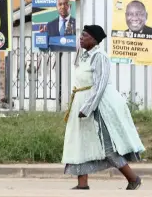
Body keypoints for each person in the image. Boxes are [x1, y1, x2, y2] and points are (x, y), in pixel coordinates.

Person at [62, 24, 145, 190]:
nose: (81, 38)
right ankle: (82, 183)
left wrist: (87, 108)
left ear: (93, 39)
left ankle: (133, 178)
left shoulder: (100, 56)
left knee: (107, 146)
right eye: (81, 35)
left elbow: (100, 86)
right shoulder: (84, 55)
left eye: (84, 36)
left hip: (99, 106)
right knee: (80, 141)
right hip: (81, 102)